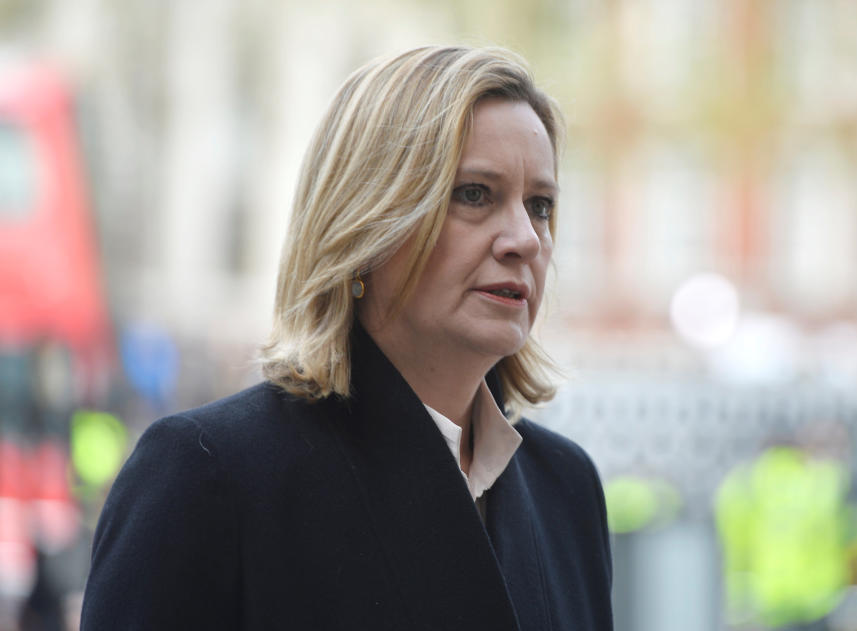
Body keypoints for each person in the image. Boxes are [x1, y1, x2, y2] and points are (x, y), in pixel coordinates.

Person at [80, 45, 613, 631]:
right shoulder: (210, 476)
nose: (525, 240)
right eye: (475, 194)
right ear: (365, 223)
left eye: (540, 206)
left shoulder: (565, 488)